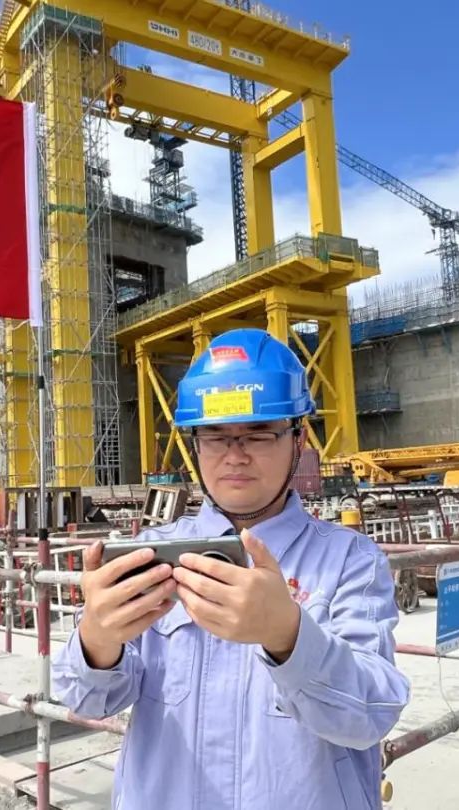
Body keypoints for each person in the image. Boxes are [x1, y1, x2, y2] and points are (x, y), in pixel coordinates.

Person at [51, 328, 410, 810]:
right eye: (215, 436)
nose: (235, 454)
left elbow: (369, 715)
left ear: (299, 439)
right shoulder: (151, 556)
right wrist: (97, 640)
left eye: (259, 434)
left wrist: (289, 637)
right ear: (195, 444)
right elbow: (89, 701)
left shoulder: (350, 560)